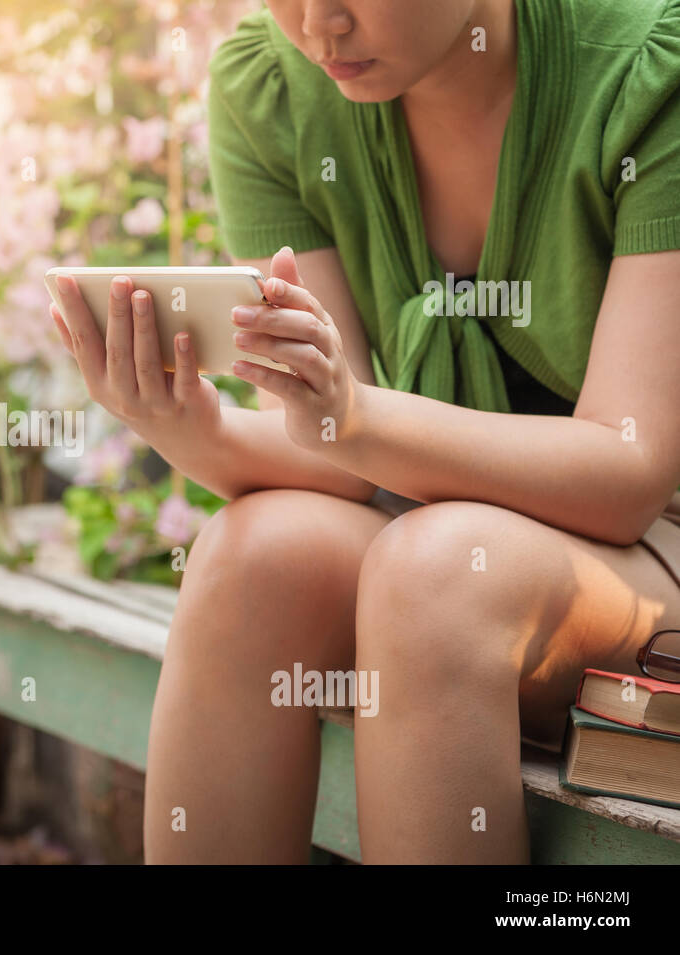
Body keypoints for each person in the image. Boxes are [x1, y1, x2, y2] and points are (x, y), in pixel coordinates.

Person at [47, 0, 680, 863]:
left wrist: (356, 414)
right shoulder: (275, 89)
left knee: (437, 575)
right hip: (434, 536)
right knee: (250, 559)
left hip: (651, 556)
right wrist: (192, 429)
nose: (319, 24)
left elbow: (627, 471)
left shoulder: (649, 68)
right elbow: (337, 458)